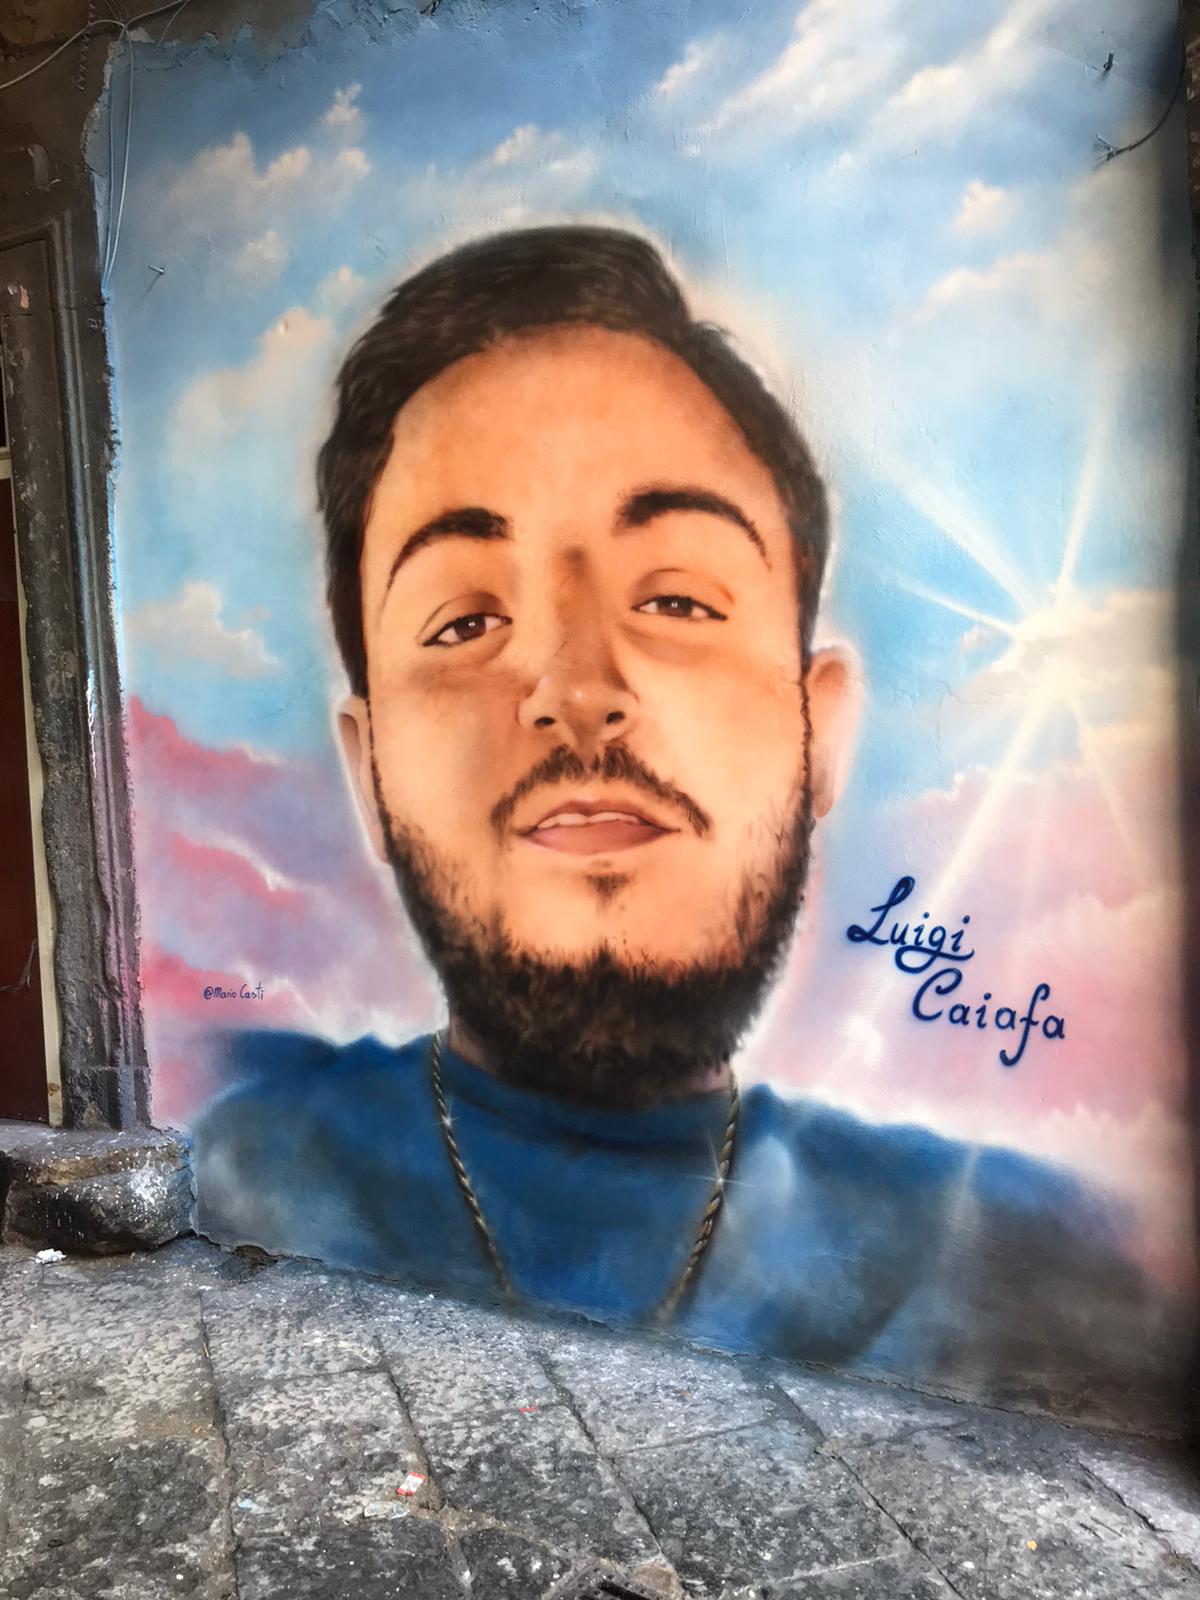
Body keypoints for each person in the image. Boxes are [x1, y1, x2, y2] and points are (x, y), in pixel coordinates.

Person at [193, 226, 1167, 1415]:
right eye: (463, 622)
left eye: (677, 598)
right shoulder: (222, 1199)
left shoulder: (1045, 1271)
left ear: (819, 732)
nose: (575, 689)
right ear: (371, 773)